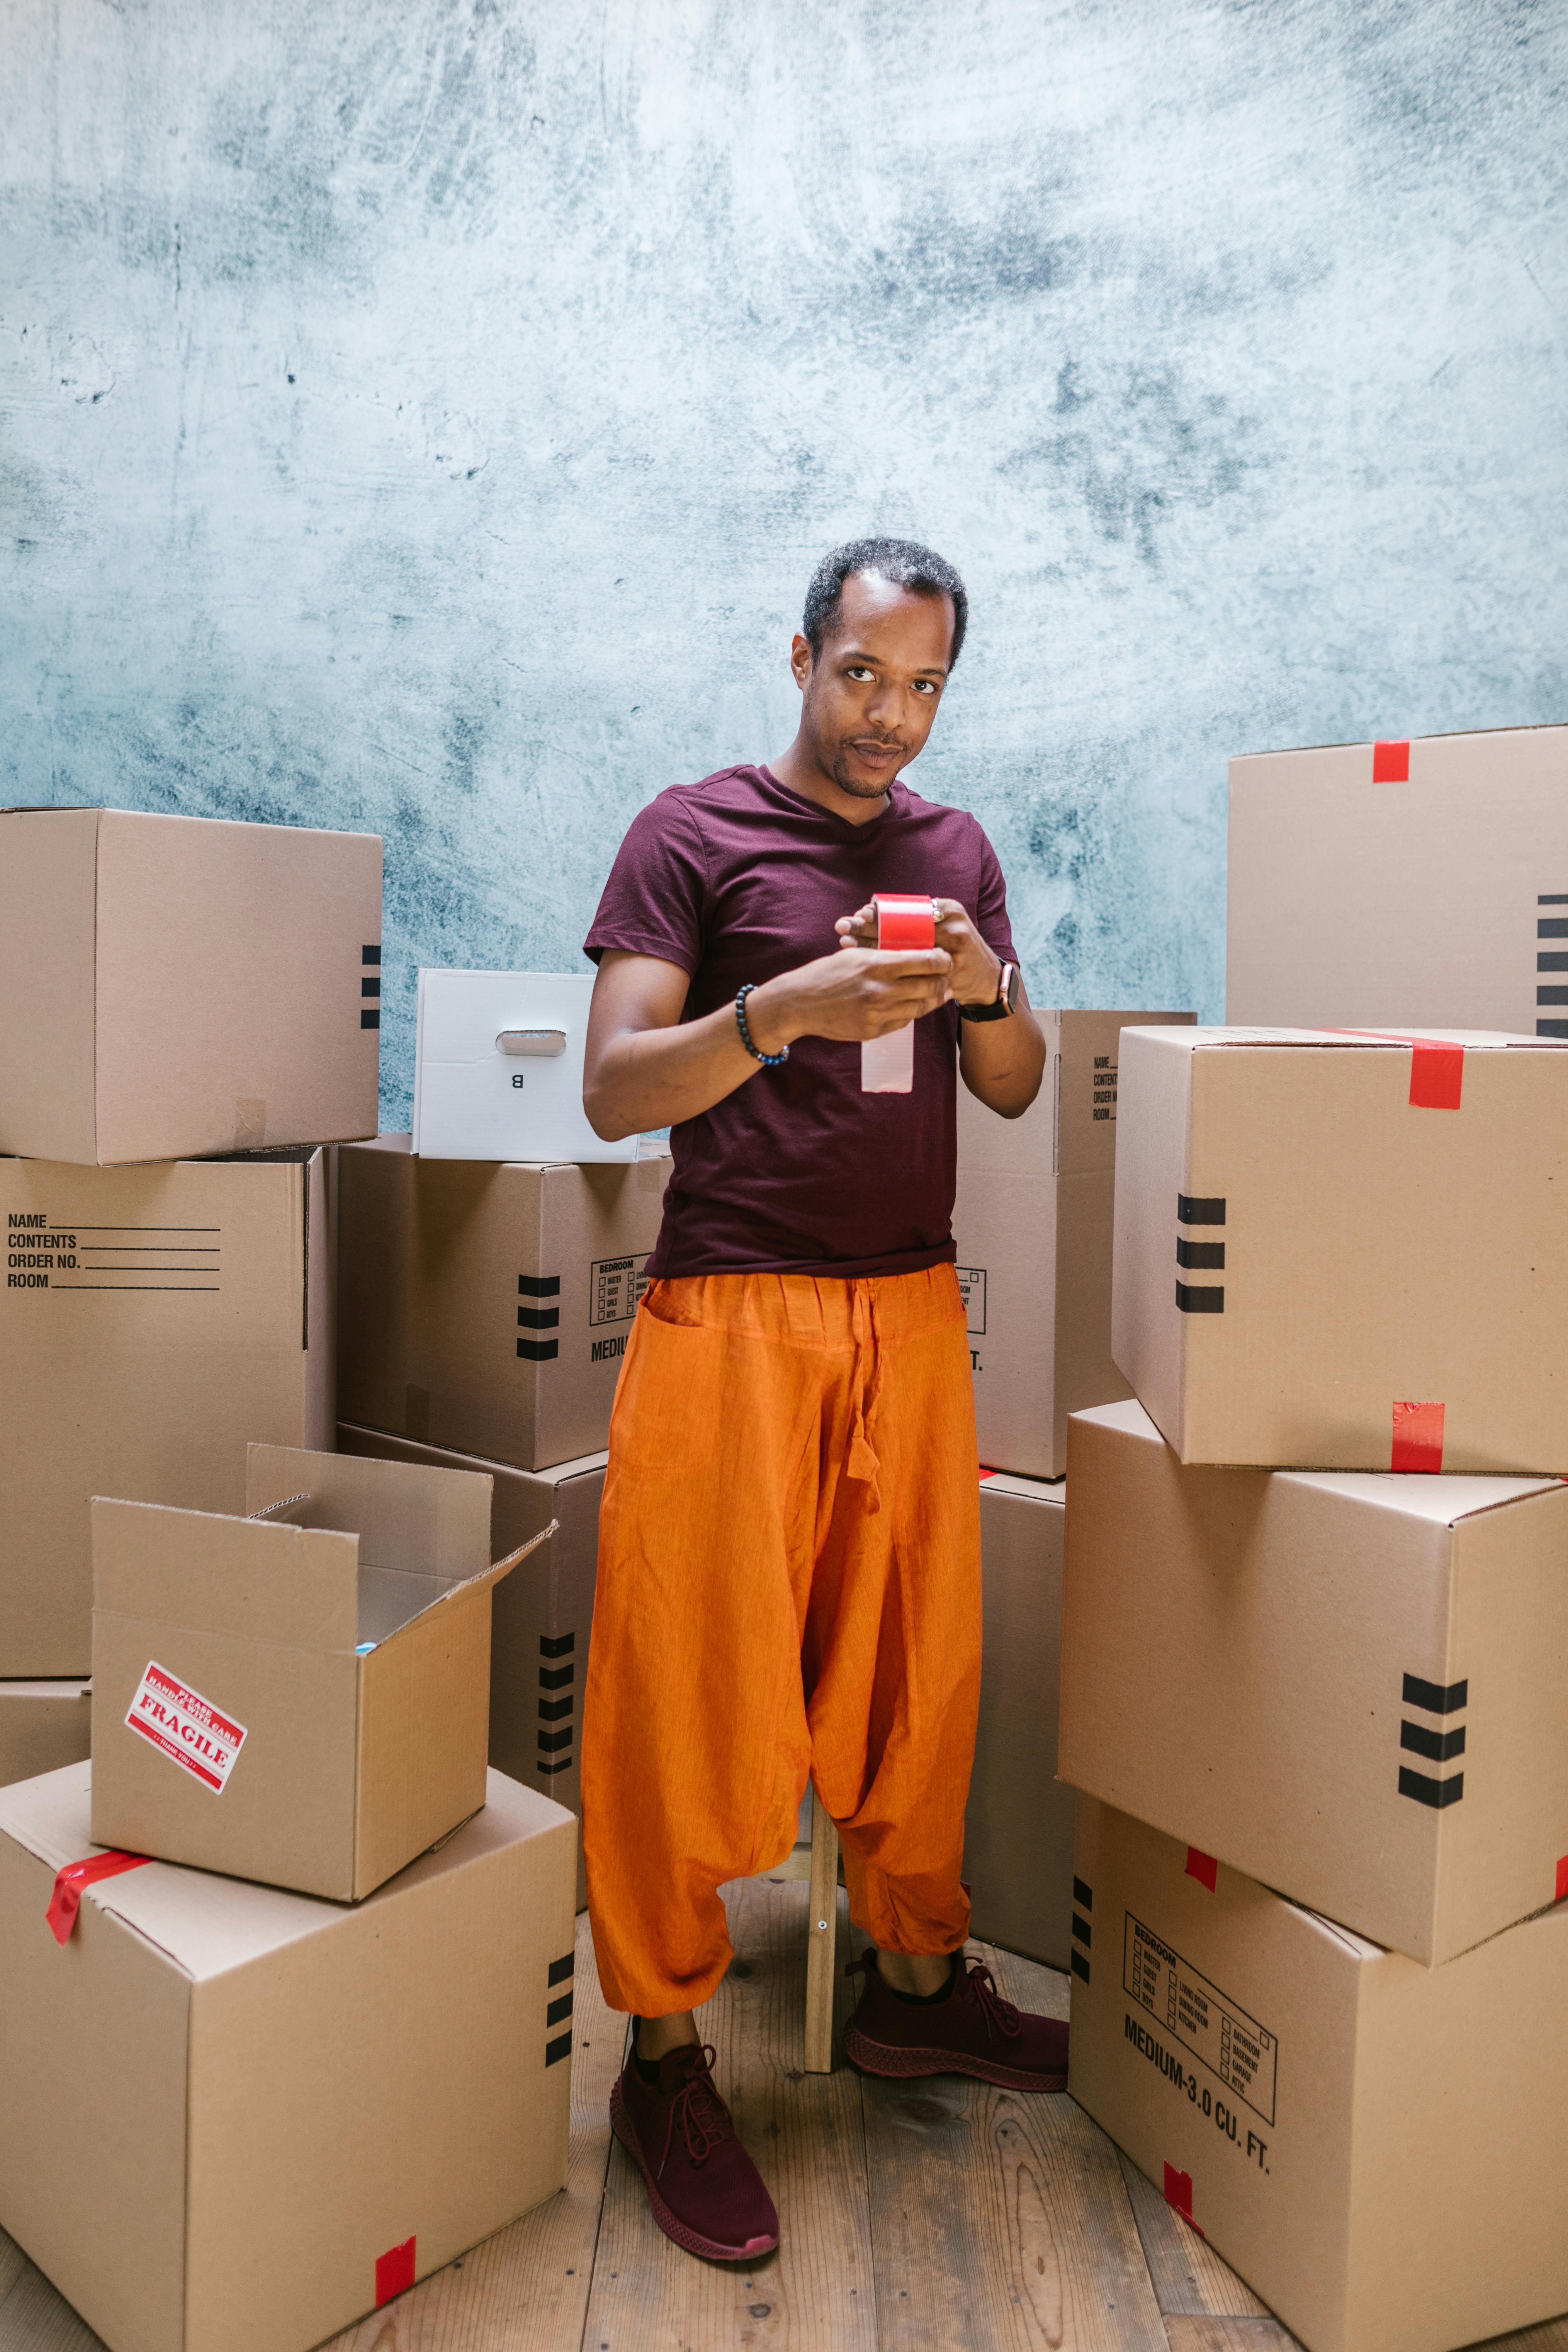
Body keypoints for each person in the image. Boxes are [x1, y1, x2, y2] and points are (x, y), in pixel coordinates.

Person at [579, 536, 1066, 2265]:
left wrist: (984, 982)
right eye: (864, 674)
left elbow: (1013, 1085)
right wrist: (777, 1009)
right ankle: (658, 2048)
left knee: (920, 1678)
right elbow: (615, 1086)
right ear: (800, 656)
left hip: (909, 1315)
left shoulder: (955, 853)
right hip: (730, 1315)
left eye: (925, 685)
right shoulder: (690, 834)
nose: (892, 718)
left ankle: (912, 1983)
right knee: (690, 1687)